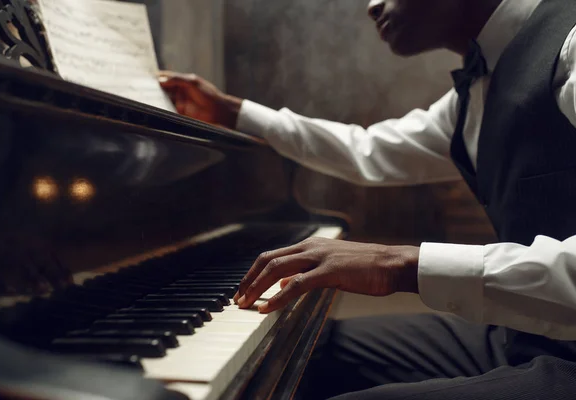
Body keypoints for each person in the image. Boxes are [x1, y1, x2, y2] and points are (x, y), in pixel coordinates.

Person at [159, 0, 576, 398]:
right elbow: (368, 150)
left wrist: (398, 264)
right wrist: (234, 112)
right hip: (524, 335)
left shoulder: (569, 43)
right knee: (299, 356)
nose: (371, 6)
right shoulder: (479, 87)